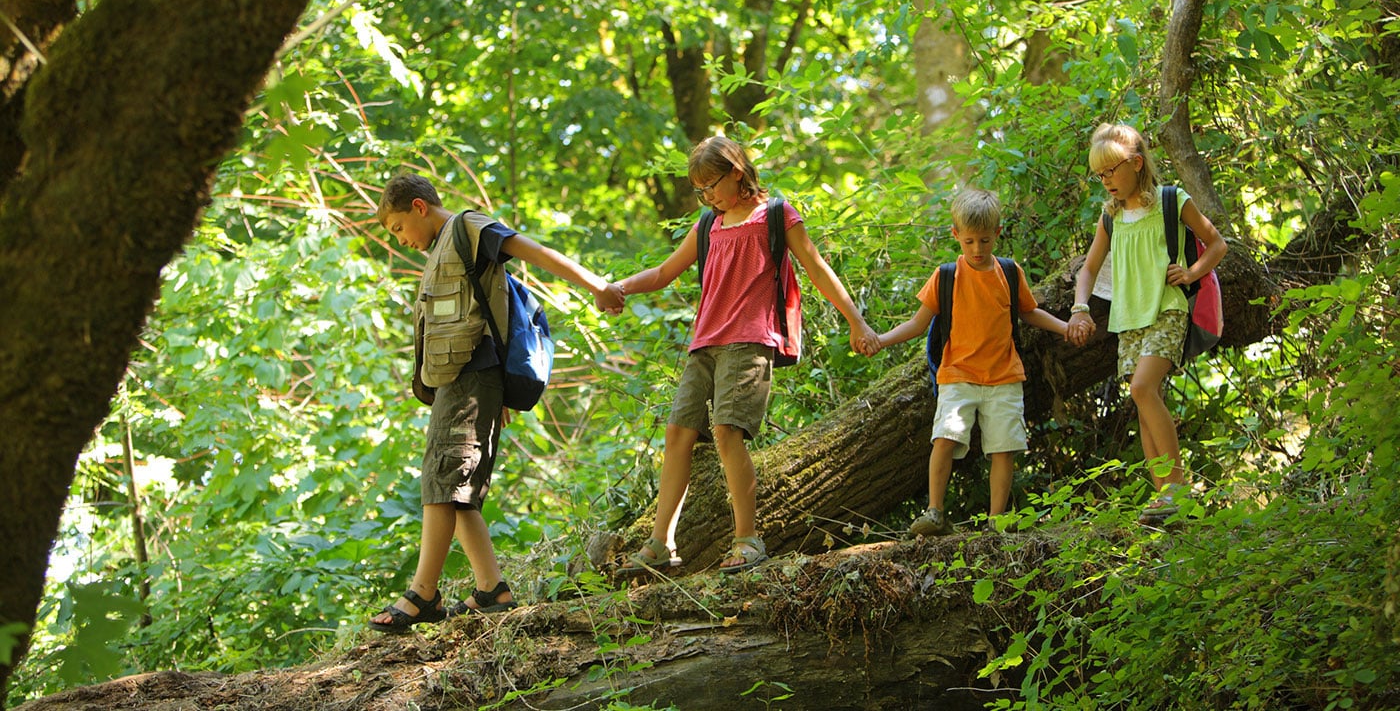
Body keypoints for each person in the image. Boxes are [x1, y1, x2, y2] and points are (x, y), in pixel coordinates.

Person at [369, 173, 624, 632]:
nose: (402, 240)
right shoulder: (442, 249)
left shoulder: (469, 229)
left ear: (419, 208)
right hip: (459, 381)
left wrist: (596, 285)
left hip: (471, 378)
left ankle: (423, 594)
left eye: (398, 228)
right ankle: (492, 589)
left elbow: (534, 252)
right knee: (454, 484)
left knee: (444, 480)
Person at [613, 136, 880, 575]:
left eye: (712, 184)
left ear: (737, 170)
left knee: (726, 431)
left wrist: (857, 322)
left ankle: (748, 540)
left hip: (750, 338)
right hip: (706, 342)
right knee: (678, 432)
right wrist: (620, 287)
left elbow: (816, 267)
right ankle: (661, 543)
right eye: (700, 190)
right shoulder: (708, 225)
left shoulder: (775, 215)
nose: (708, 195)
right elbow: (663, 272)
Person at [868, 187, 1070, 536]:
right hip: (957, 375)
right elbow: (918, 324)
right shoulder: (946, 276)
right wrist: (879, 340)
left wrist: (1066, 327)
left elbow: (1030, 312)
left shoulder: (1008, 272)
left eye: (985, 241)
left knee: (1003, 447)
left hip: (1004, 376)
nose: (977, 250)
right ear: (956, 235)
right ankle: (935, 512)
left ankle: (996, 521)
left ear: (998, 235)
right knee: (944, 438)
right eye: (970, 242)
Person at [1064, 123, 1227, 524]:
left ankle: (1177, 490)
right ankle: (1163, 499)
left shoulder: (1172, 201)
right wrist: (1080, 307)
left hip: (1168, 309)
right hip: (1129, 319)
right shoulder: (1111, 218)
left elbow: (1217, 243)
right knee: (1142, 400)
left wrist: (1190, 274)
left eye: (1111, 171)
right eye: (1099, 175)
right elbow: (1087, 270)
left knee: (1142, 387)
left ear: (1136, 163)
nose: (1106, 182)